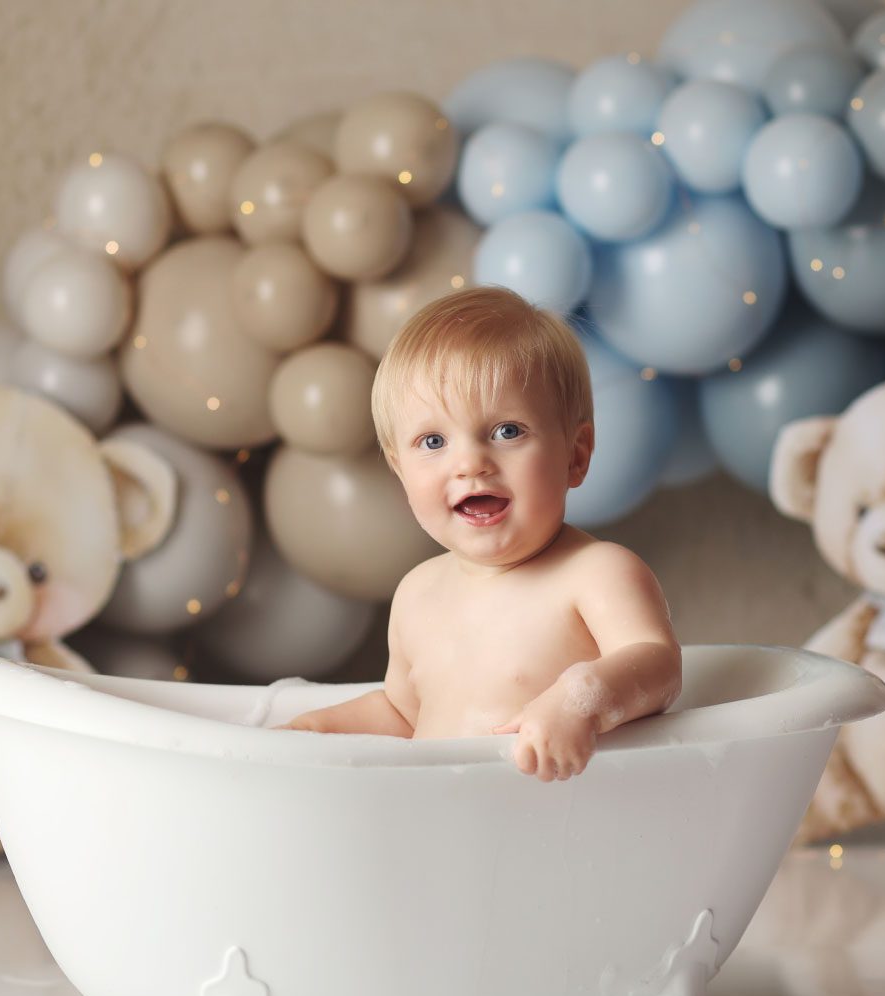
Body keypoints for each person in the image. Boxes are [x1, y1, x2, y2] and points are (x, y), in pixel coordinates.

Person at [273, 285, 682, 783]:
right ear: (401, 472)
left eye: (507, 431)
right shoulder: (417, 594)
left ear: (575, 455)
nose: (469, 464)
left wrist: (580, 699)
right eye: (433, 441)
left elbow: (658, 667)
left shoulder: (596, 574)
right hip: (449, 829)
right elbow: (404, 717)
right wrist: (318, 730)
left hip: (559, 825)